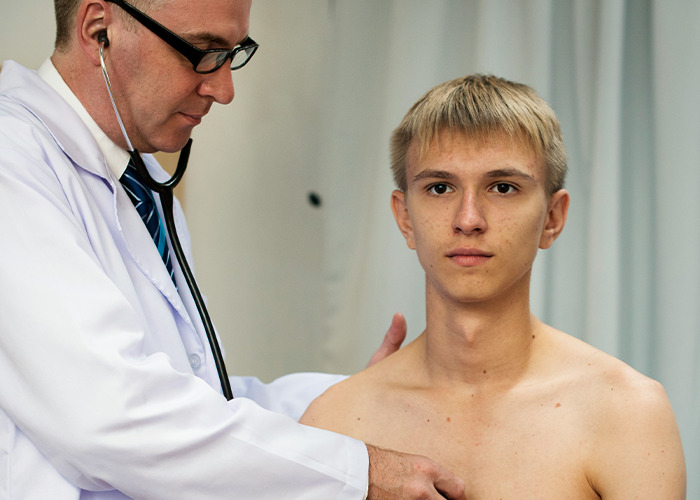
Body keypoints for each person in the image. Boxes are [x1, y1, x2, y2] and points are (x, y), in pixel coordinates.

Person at [0, 0, 466, 498]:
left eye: (233, 53)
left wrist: (354, 399)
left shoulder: (141, 187)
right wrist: (358, 474)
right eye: (202, 52)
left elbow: (199, 398)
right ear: (98, 31)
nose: (223, 90)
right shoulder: (13, 162)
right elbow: (107, 415)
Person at [300, 74, 687, 499]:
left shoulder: (626, 412)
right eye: (440, 187)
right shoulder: (336, 422)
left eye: (503, 187)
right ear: (405, 217)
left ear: (553, 218)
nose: (468, 219)